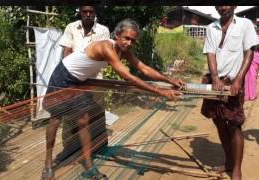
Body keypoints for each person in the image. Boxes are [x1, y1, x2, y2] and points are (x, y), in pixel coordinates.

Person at [41, 18, 184, 179]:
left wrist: (170, 81)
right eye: (126, 38)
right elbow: (128, 77)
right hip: (63, 76)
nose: (129, 43)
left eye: (133, 40)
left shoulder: (124, 50)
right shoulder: (106, 48)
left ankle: (88, 165)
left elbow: (144, 68)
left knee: (83, 121)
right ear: (117, 35)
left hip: (79, 81)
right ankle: (47, 164)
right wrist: (159, 91)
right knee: (55, 119)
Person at [201, 6, 259, 180]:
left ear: (234, 5)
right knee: (218, 122)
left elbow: (250, 51)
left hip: (233, 83)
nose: (223, 7)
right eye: (219, 4)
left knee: (234, 125)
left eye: (227, 3)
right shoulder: (211, 28)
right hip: (216, 83)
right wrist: (215, 78)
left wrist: (239, 80)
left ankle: (237, 170)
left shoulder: (245, 24)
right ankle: (228, 162)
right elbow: (210, 54)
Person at [57, 6, 110, 163]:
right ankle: (69, 149)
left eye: (91, 12)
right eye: (84, 12)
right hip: (74, 80)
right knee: (70, 115)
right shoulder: (71, 27)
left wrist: (83, 64)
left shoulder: (103, 31)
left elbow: (102, 56)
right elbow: (66, 51)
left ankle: (98, 147)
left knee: (97, 114)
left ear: (95, 13)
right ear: (80, 12)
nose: (88, 15)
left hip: (95, 80)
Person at [244, 27, 259, 101]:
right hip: (250, 57)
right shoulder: (247, 38)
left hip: (250, 57)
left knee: (249, 76)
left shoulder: (258, 38)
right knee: (248, 76)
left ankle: (249, 95)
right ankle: (249, 95)